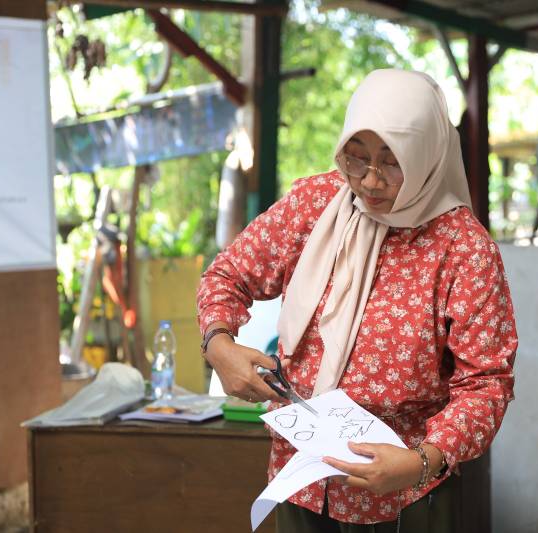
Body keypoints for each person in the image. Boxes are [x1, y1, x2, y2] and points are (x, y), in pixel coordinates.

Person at [197, 68, 517, 532]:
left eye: (392, 162)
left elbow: (487, 384)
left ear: (427, 154)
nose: (369, 181)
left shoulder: (463, 248)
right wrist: (218, 343)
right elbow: (228, 275)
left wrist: (422, 460)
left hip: (403, 493)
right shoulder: (315, 204)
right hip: (301, 475)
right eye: (356, 157)